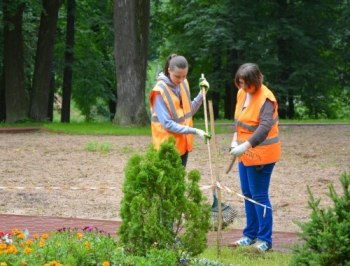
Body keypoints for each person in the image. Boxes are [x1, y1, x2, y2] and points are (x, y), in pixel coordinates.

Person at [228, 63, 281, 252]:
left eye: (246, 84)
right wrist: (235, 141)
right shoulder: (242, 93)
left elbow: (264, 128)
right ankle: (249, 235)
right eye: (240, 83)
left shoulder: (266, 99)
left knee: (259, 196)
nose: (242, 87)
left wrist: (245, 146)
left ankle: (265, 239)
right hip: (245, 154)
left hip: (262, 155)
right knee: (247, 195)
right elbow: (239, 122)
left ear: (256, 81)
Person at [149, 54, 210, 167]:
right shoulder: (159, 91)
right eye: (177, 76)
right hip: (166, 147)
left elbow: (188, 111)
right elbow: (167, 124)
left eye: (184, 76)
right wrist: (195, 131)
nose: (181, 80)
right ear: (169, 70)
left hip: (182, 145)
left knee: (179, 181)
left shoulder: (183, 84)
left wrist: (202, 94)